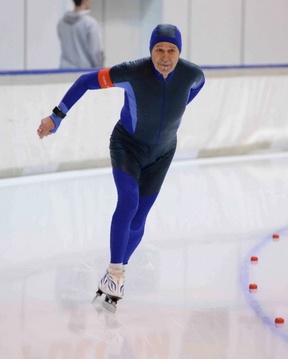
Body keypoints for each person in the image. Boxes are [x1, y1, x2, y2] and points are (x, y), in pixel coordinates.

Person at [37, 24, 205, 308]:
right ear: (150, 51)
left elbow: (197, 88)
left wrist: (177, 108)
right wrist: (57, 116)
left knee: (139, 220)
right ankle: (116, 273)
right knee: (128, 201)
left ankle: (114, 275)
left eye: (171, 50)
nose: (165, 56)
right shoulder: (131, 72)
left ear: (180, 53)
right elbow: (85, 81)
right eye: (158, 50)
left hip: (163, 152)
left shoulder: (192, 74)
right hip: (127, 145)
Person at [58, 0, 104, 69]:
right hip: (83, 71)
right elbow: (94, 52)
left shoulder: (61, 22)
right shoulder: (89, 23)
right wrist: (99, 69)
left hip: (64, 70)